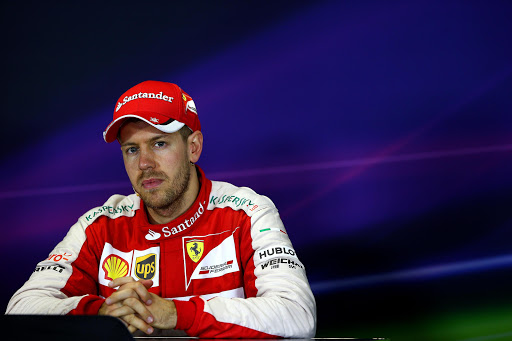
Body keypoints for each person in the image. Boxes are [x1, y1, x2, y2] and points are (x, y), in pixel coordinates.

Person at [5, 80, 317, 338]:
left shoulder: (246, 212)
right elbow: (21, 309)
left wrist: (175, 313)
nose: (144, 164)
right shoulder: (99, 226)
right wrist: (102, 313)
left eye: (159, 144)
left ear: (193, 147)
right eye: (131, 149)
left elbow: (297, 316)